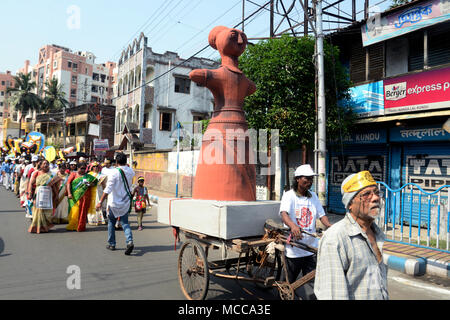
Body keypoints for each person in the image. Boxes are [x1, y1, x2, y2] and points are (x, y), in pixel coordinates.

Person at [314, 171, 388, 300]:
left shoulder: (377, 234)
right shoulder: (336, 239)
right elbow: (332, 295)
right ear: (350, 204)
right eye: (366, 195)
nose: (376, 198)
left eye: (376, 193)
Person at [279, 164, 332, 290]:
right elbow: (284, 214)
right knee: (288, 283)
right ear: (297, 179)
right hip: (294, 248)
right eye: (306, 178)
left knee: (314, 283)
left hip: (311, 246)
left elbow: (322, 215)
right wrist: (293, 226)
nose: (309, 181)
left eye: (311, 179)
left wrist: (330, 226)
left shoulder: (313, 196)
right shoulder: (289, 195)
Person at [96, 153, 135, 255]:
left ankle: (112, 244)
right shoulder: (131, 171)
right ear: (126, 161)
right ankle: (129, 241)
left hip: (114, 202)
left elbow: (108, 189)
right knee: (125, 223)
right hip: (125, 202)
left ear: (116, 162)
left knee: (111, 223)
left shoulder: (114, 172)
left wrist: (100, 201)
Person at [27, 160, 58, 233]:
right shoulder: (36, 173)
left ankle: (45, 226)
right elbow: (31, 183)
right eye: (44, 164)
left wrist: (56, 195)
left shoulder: (52, 174)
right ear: (40, 165)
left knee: (47, 210)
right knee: (38, 210)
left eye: (47, 163)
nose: (46, 165)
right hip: (38, 193)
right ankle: (37, 227)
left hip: (48, 194)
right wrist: (30, 193)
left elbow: (54, 186)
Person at [66, 162, 98, 232]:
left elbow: (95, 182)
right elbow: (68, 183)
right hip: (74, 196)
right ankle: (73, 225)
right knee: (74, 211)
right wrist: (69, 193)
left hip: (85, 197)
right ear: (78, 168)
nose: (83, 170)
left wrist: (90, 184)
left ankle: (81, 226)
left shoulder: (88, 176)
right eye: (81, 168)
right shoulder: (73, 174)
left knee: (83, 211)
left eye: (84, 168)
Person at [87, 161, 107, 226]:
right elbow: (86, 183)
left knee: (99, 204)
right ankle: (92, 219)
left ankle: (100, 219)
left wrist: (105, 192)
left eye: (97, 166)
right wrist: (90, 184)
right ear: (92, 167)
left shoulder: (101, 175)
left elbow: (104, 185)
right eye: (94, 166)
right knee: (91, 205)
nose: (95, 168)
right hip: (91, 191)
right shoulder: (89, 175)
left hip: (99, 191)